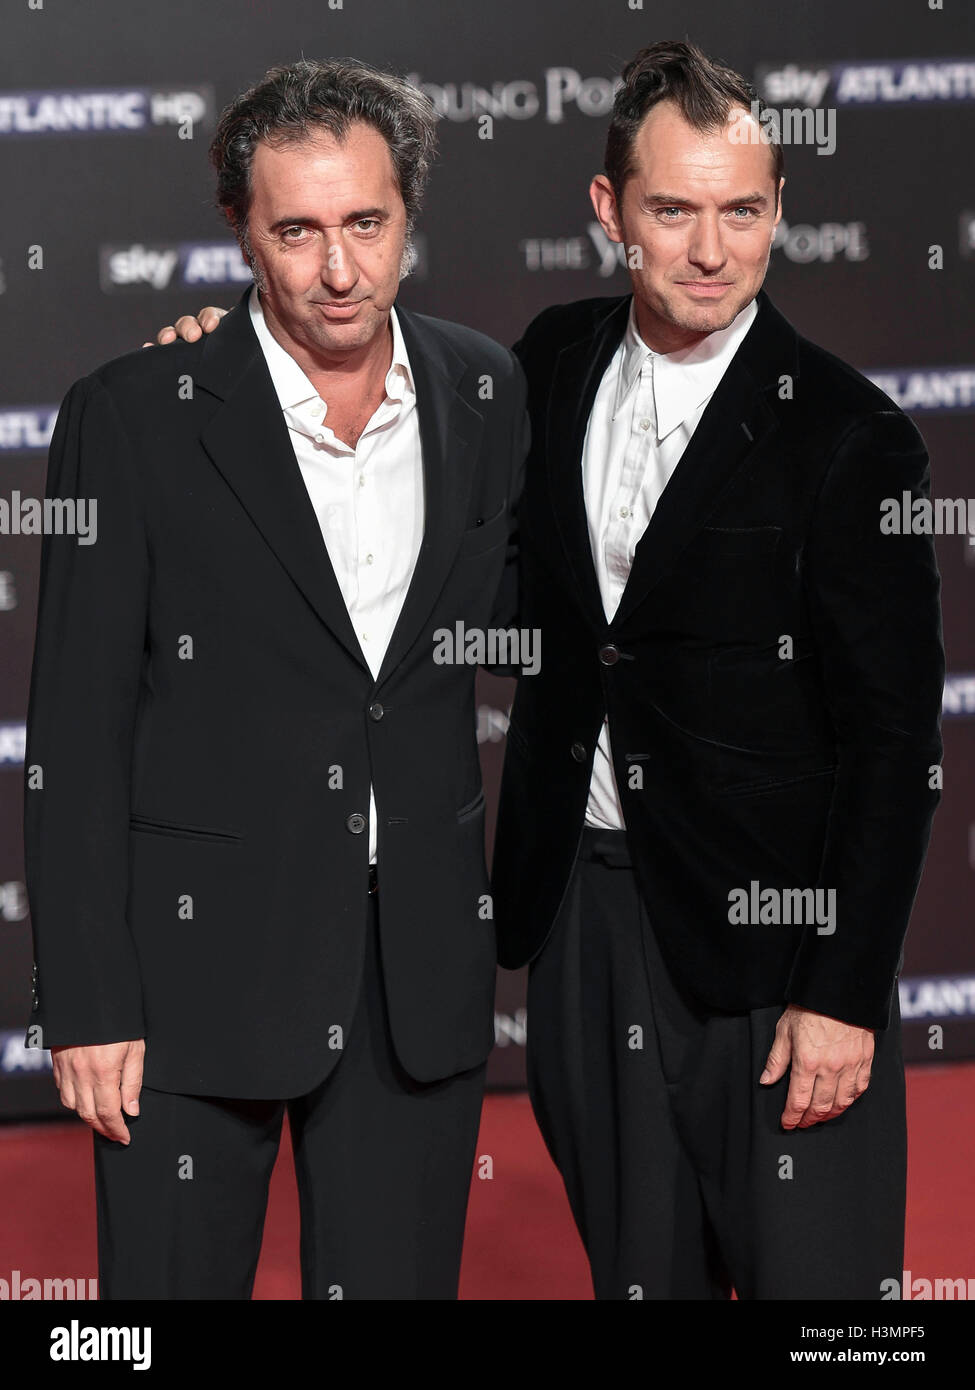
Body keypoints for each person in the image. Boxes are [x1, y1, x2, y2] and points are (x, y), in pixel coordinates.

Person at [157, 41, 945, 1301]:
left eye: (743, 210)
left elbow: (900, 745)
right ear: (608, 211)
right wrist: (229, 361)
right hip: (583, 921)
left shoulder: (852, 436)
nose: (709, 248)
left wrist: (844, 992)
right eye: (672, 210)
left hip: (772, 950)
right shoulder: (545, 365)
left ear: (780, 210)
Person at [25, 57, 527, 1300]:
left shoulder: (488, 388)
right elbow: (75, 730)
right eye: (296, 231)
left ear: (410, 215)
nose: (338, 268)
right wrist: (88, 1002)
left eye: (367, 223)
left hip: (413, 971)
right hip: (190, 986)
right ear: (241, 233)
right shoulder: (135, 415)